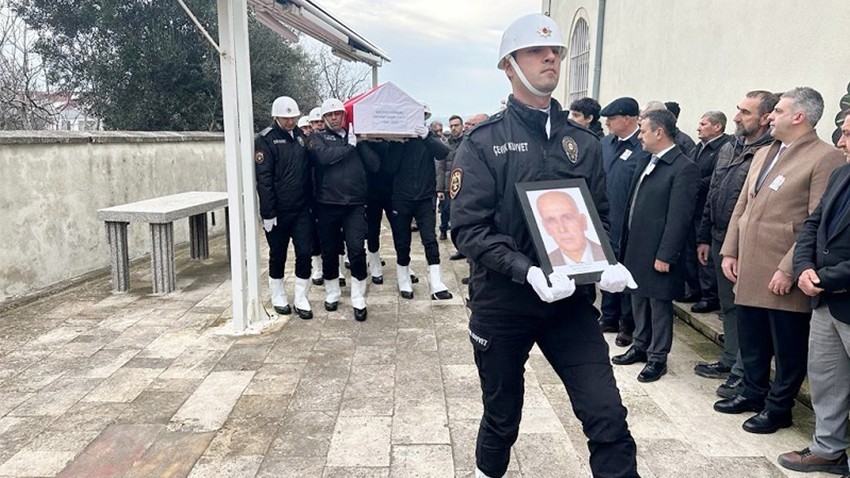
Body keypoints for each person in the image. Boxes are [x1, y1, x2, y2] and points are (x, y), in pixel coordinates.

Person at [450, 13, 638, 478]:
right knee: (502, 416)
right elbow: (468, 228)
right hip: (504, 303)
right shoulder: (483, 142)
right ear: (509, 66)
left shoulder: (584, 142)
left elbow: (601, 216)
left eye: (555, 49)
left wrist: (605, 261)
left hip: (569, 305)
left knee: (607, 415)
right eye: (537, 51)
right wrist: (526, 270)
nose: (551, 56)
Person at [715, 87, 845, 434]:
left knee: (787, 347)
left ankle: (778, 408)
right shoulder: (764, 152)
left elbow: (817, 221)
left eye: (779, 111)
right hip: (750, 264)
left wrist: (790, 268)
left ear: (799, 116)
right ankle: (753, 393)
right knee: (753, 338)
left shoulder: (824, 157)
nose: (770, 116)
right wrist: (730, 250)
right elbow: (743, 205)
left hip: (780, 270)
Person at [777, 111, 850, 475]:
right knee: (825, 380)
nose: (841, 142)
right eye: (842, 133)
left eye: (849, 135)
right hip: (825, 299)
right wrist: (803, 267)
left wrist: (824, 277)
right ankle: (829, 449)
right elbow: (812, 225)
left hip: (836, 290)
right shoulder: (841, 174)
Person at [694, 91, 778, 398]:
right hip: (719, 237)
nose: (736, 117)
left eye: (745, 112)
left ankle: (744, 372)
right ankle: (730, 359)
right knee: (728, 306)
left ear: (766, 117)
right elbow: (713, 192)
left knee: (748, 312)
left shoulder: (771, 152)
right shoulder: (730, 147)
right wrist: (704, 236)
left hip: (748, 245)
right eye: (738, 110)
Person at [611, 109, 698, 382]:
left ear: (659, 132)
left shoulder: (683, 167)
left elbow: (679, 217)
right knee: (638, 298)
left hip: (659, 250)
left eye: (643, 130)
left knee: (659, 305)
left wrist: (667, 254)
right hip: (637, 245)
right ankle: (640, 345)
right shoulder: (647, 160)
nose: (639, 136)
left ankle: (658, 357)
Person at [306, 98, 380, 321]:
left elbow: (375, 166)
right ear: (324, 119)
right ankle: (332, 292)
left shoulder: (355, 138)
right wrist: (348, 147)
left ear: (344, 115)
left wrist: (361, 142)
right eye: (329, 116)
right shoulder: (317, 138)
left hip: (355, 204)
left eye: (337, 114)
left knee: (357, 249)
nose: (334, 118)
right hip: (327, 204)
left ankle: (358, 295)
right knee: (329, 251)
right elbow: (322, 157)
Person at [254, 96, 315, 320]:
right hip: (278, 212)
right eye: (286, 118)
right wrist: (268, 213)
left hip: (301, 209)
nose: (291, 122)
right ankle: (278, 295)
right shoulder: (265, 139)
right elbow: (264, 179)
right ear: (276, 117)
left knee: (305, 252)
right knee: (277, 254)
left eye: (293, 117)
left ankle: (301, 297)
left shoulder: (301, 136)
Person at [598, 96, 650, 347]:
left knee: (627, 273)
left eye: (612, 118)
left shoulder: (643, 147)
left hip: (629, 222)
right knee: (607, 267)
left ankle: (626, 326)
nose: (607, 122)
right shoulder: (606, 143)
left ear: (628, 119)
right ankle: (608, 316)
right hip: (606, 219)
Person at [389, 110, 453, 300]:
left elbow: (443, 152)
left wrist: (427, 137)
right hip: (401, 197)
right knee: (402, 240)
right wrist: (399, 142)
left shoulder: (428, 137)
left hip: (425, 197)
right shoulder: (398, 140)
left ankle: (436, 282)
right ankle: (403, 278)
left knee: (430, 239)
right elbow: (389, 166)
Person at [687, 111, 731, 314]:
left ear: (717, 127)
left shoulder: (722, 148)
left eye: (703, 124)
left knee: (706, 255)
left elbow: (714, 178)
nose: (698, 127)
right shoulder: (699, 147)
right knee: (694, 251)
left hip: (708, 206)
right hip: (694, 207)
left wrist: (690, 183)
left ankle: (710, 296)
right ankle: (696, 289)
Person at [449, 113, 489, 263]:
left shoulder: (488, 145)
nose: (466, 128)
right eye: (466, 124)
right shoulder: (466, 142)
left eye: (470, 124)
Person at [536, 190, 606, 266]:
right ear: (546, 228)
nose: (562, 229)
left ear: (583, 221)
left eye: (567, 218)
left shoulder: (607, 256)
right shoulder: (544, 264)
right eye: (552, 221)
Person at [436, 114, 464, 241]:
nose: (454, 128)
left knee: (460, 213)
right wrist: (439, 189)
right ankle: (443, 229)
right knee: (445, 210)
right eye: (452, 126)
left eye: (456, 125)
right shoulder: (445, 145)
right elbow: (441, 168)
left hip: (463, 184)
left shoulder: (467, 143)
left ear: (462, 126)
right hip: (448, 184)